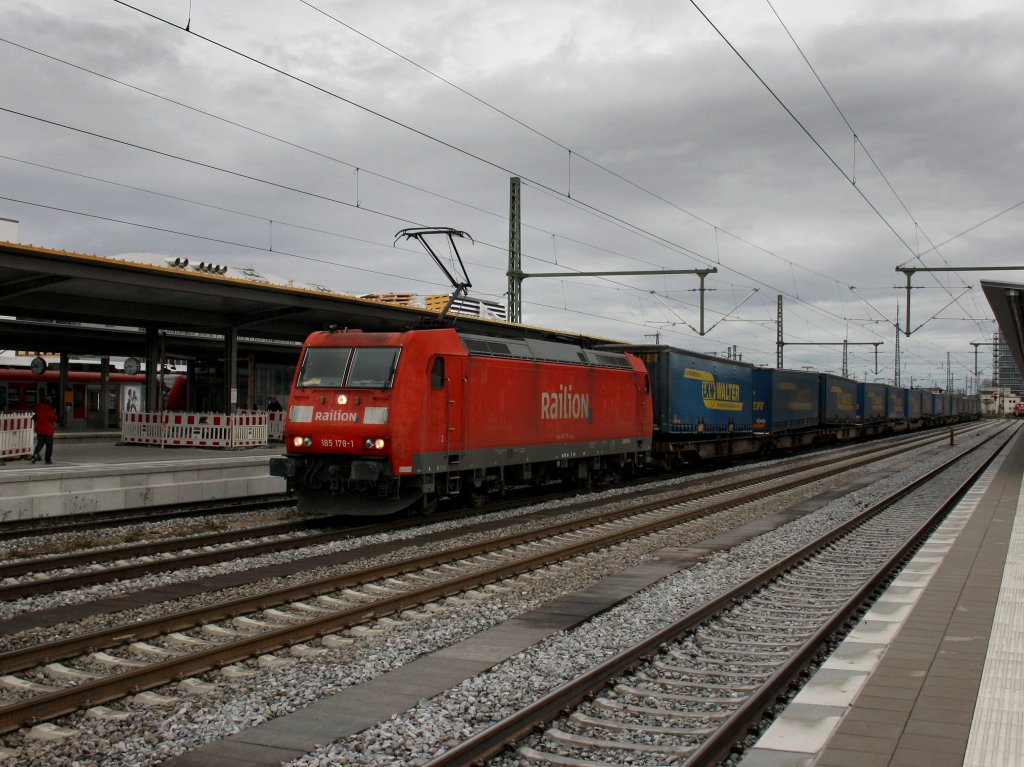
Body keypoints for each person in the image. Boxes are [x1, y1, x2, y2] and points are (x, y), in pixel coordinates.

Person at [31, 396, 59, 465]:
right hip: (48, 430)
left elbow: (35, 413)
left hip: (39, 429)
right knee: (49, 445)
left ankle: (35, 455)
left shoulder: (38, 408)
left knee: (40, 444)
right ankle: (47, 460)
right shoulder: (50, 409)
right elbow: (55, 418)